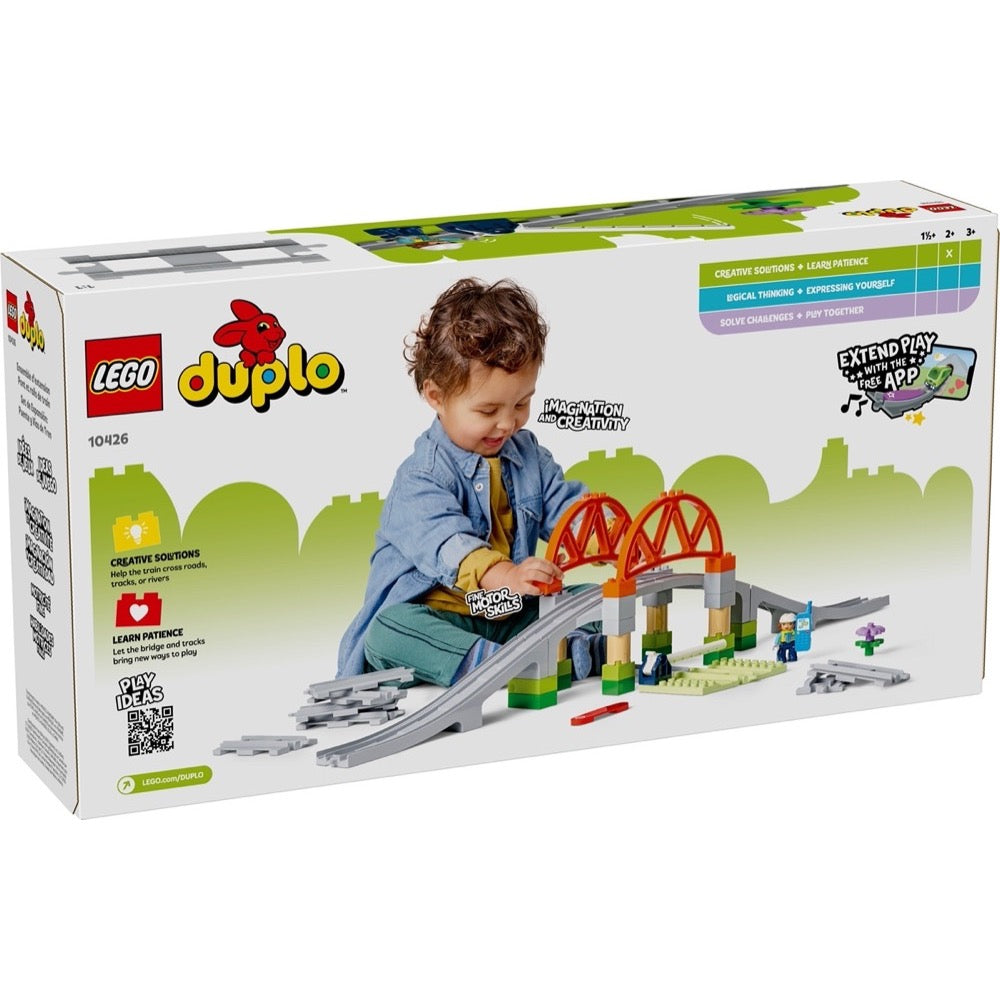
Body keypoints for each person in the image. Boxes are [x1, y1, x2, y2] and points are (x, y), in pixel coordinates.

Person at [336, 277, 600, 685]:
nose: (508, 423)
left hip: (502, 612)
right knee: (387, 630)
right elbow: (456, 549)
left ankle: (566, 647)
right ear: (436, 396)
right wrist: (507, 577)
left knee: (591, 597)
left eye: (522, 403)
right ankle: (497, 664)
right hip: (437, 618)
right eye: (488, 410)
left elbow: (566, 509)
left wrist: (603, 535)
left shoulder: (528, 455)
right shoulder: (420, 477)